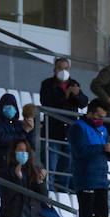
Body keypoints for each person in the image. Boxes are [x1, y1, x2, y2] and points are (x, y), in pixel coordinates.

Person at [39, 57, 88, 187]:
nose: (63, 71)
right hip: (53, 133)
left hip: (70, 133)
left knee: (66, 169)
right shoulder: (47, 84)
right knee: (51, 168)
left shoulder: (74, 83)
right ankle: (48, 195)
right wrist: (66, 95)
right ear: (55, 70)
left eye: (66, 68)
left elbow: (83, 103)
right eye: (60, 68)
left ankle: (63, 195)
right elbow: (46, 103)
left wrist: (77, 94)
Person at [67, 100, 110, 217]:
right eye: (99, 116)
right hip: (86, 179)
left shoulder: (103, 129)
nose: (101, 120)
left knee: (102, 216)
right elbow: (80, 151)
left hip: (102, 180)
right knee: (87, 216)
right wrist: (102, 148)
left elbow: (108, 155)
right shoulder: (78, 127)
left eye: (103, 117)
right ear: (89, 113)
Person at [0, 93, 33, 179]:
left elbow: (29, 143)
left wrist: (30, 129)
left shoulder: (17, 124)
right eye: (7, 105)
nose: (11, 108)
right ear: (1, 107)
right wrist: (24, 132)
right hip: (2, 166)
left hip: (19, 166)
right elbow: (2, 140)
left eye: (13, 105)